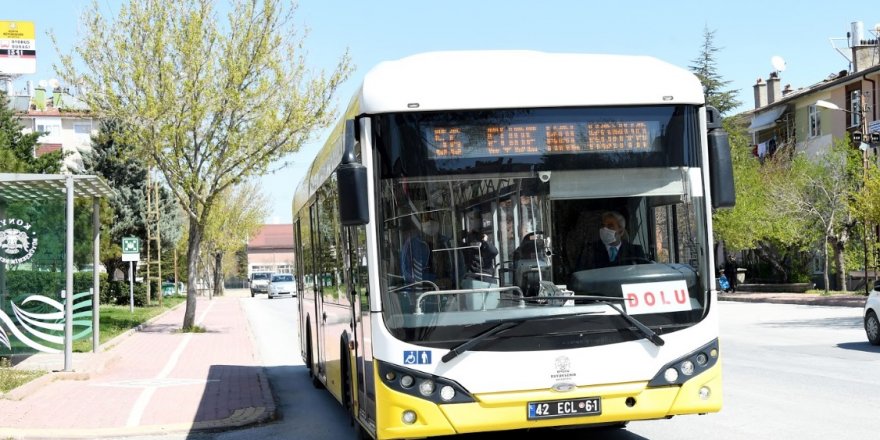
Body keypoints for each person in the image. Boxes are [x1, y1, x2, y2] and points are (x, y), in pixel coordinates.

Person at [574, 210, 646, 270]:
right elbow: (580, 276)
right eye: (602, 225)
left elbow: (643, 276)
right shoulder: (589, 251)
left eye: (610, 226)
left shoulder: (636, 251)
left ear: (621, 232)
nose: (604, 229)